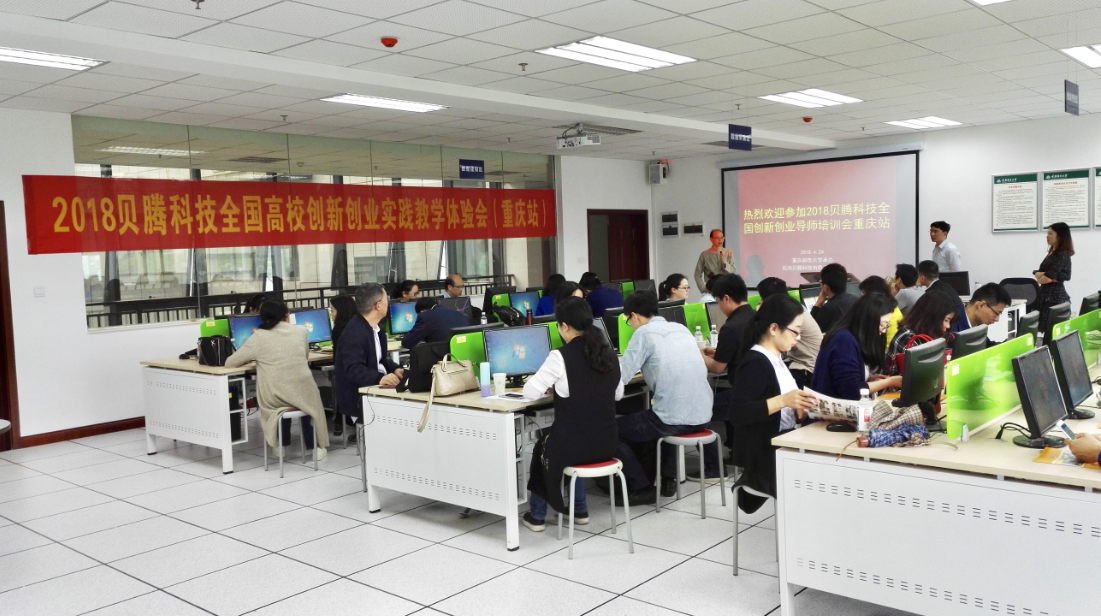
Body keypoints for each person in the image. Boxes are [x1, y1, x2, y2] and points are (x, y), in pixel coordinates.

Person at [520, 297, 623, 532]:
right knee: (563, 441)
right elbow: (617, 395)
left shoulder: (560, 356)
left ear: (564, 326)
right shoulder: (610, 354)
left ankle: (537, 515)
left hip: (573, 447)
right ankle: (579, 509)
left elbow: (529, 392)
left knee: (544, 445)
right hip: (607, 444)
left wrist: (554, 385)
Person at [614, 290, 713, 504]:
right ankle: (668, 480)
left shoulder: (643, 334)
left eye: (628, 320)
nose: (630, 325)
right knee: (665, 406)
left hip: (673, 421)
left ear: (634, 316)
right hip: (704, 414)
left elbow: (621, 377)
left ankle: (642, 488)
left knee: (611, 431)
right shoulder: (681, 329)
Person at [729, 294, 818, 513]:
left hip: (782, 439)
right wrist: (783, 401)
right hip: (764, 451)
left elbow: (782, 407)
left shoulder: (777, 359)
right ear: (774, 328)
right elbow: (738, 413)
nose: (798, 338)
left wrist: (799, 408)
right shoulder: (756, 362)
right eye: (795, 331)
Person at [225, 299, 329, 460]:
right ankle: (315, 447)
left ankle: (281, 444)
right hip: (304, 391)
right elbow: (304, 356)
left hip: (275, 395)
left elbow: (230, 362)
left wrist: (256, 359)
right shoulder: (301, 331)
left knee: (282, 399)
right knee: (304, 401)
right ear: (286, 315)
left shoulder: (258, 336)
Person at [699, 274, 754, 480]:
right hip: (758, 392)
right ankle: (735, 453)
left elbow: (717, 369)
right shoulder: (755, 317)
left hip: (742, 395)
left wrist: (699, 354)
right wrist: (718, 353)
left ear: (727, 298)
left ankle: (714, 467)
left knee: (699, 410)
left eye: (718, 301)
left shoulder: (731, 326)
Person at [334, 283, 404, 429]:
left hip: (376, 388)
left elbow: (379, 360)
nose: (388, 302)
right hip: (361, 395)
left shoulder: (376, 329)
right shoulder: (354, 332)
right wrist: (379, 378)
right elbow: (353, 368)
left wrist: (395, 369)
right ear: (378, 305)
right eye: (386, 299)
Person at [811, 293, 901, 400]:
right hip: (831, 409)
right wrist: (889, 382)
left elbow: (846, 380)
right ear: (868, 321)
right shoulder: (844, 341)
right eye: (882, 325)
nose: (883, 331)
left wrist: (868, 379)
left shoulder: (851, 336)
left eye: (886, 325)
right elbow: (852, 391)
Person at [757, 277, 821, 388]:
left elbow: (766, 340)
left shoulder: (787, 313)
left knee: (764, 376)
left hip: (807, 369)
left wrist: (761, 313)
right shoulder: (794, 308)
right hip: (808, 363)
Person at [885, 291, 960, 377]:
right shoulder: (907, 338)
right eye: (946, 320)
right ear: (932, 318)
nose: (948, 326)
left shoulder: (928, 334)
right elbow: (919, 376)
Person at [328, 294, 358, 438]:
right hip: (359, 373)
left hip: (347, 374)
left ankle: (339, 420)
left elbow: (338, 358)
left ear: (341, 311)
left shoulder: (339, 330)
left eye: (332, 310)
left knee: (339, 383)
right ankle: (340, 421)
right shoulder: (359, 325)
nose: (331, 313)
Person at [1035, 222, 1073, 334]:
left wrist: (1045, 276)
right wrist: (1044, 275)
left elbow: (1048, 277)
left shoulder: (1062, 254)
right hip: (1046, 295)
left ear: (1060, 236)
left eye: (1050, 233)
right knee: (1046, 331)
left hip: (1054, 298)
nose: (1047, 236)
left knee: (1052, 331)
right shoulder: (1052, 253)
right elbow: (1041, 276)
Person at [401, 297, 469, 349]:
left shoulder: (425, 316)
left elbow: (407, 343)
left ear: (422, 311)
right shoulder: (460, 314)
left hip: (440, 358)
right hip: (462, 355)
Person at [860, 276, 903, 352]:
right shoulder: (892, 306)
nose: (862, 296)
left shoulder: (881, 312)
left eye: (863, 292)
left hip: (886, 352)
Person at [811, 263, 858, 333]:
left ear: (826, 287)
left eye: (820, 282)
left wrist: (818, 304)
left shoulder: (828, 308)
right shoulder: (856, 299)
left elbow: (811, 331)